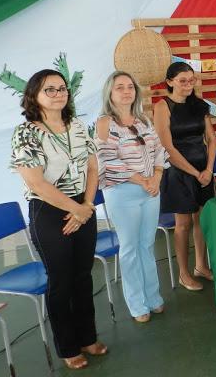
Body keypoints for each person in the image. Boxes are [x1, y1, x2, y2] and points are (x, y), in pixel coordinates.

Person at [10, 69, 107, 370]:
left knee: (83, 276)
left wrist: (86, 205)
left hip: (83, 205)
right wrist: (76, 210)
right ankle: (68, 347)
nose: (58, 94)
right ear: (34, 95)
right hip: (49, 211)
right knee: (61, 281)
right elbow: (36, 183)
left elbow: (93, 168)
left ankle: (88, 337)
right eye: (49, 89)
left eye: (62, 88)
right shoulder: (25, 133)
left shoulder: (76, 125)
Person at [96, 71, 165, 323]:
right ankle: (137, 305)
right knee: (129, 249)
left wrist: (156, 177)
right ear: (110, 93)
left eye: (130, 87)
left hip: (151, 190)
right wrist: (143, 181)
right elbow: (107, 160)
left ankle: (153, 297)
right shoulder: (105, 123)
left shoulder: (143, 120)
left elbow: (159, 150)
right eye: (120, 87)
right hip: (123, 193)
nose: (126, 91)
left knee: (146, 245)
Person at [154, 62, 216, 292]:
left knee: (201, 220)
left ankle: (201, 266)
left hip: (203, 170)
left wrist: (208, 169)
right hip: (178, 171)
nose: (188, 85)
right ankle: (184, 273)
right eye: (183, 81)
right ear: (170, 82)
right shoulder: (163, 106)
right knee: (183, 224)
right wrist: (196, 173)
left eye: (191, 80)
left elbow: (211, 139)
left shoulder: (200, 105)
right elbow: (167, 147)